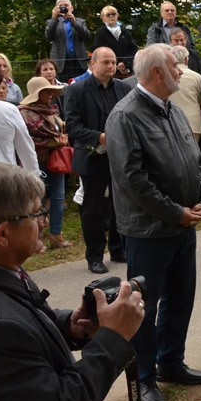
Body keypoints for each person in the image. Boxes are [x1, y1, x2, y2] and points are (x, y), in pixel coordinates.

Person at [0, 158, 144, 401]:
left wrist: (71, 325)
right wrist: (113, 338)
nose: (43, 221)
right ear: (3, 234)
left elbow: (21, 325)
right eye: (36, 214)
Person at [105, 43, 201, 401]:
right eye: (174, 66)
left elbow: (196, 161)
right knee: (143, 308)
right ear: (156, 73)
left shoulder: (174, 110)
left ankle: (170, 362)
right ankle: (144, 378)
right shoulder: (125, 116)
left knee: (181, 298)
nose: (181, 71)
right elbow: (131, 180)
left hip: (183, 226)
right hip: (148, 231)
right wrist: (174, 212)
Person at [64, 47, 131, 274]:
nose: (111, 66)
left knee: (119, 204)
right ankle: (94, 255)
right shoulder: (77, 90)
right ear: (93, 64)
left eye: (113, 62)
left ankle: (118, 248)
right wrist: (99, 137)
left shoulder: (122, 88)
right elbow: (72, 125)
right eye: (106, 62)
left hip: (119, 156)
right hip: (91, 156)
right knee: (92, 209)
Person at [19, 77, 72, 249]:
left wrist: (62, 137)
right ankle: (35, 238)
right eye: (46, 91)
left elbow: (60, 130)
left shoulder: (53, 111)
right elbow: (27, 140)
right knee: (36, 200)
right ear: (37, 94)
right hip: (35, 162)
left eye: (52, 91)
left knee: (57, 198)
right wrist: (53, 142)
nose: (50, 95)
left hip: (56, 161)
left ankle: (56, 234)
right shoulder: (24, 113)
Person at [146, 1, 201, 74]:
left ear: (175, 13)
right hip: (165, 64)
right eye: (167, 10)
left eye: (172, 10)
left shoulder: (184, 28)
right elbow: (151, 47)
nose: (170, 12)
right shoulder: (155, 29)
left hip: (185, 63)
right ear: (161, 13)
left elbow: (192, 46)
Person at [45, 0, 93, 83]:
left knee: (81, 87)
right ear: (56, 8)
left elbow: (88, 37)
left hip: (79, 63)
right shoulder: (52, 22)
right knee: (63, 90)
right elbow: (48, 37)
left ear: (71, 8)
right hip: (61, 63)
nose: (64, 8)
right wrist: (54, 19)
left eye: (66, 5)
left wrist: (74, 22)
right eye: (61, 6)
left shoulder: (80, 21)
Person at [167, 45, 201, 141]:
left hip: (171, 123)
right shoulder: (197, 77)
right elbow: (200, 100)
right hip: (193, 123)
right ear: (186, 59)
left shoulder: (165, 76)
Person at [92, 5, 138, 77]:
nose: (111, 16)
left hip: (127, 70)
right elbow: (99, 51)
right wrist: (117, 63)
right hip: (109, 70)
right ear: (103, 18)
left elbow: (133, 48)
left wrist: (124, 63)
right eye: (108, 15)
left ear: (117, 16)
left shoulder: (125, 31)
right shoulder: (100, 33)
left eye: (113, 14)